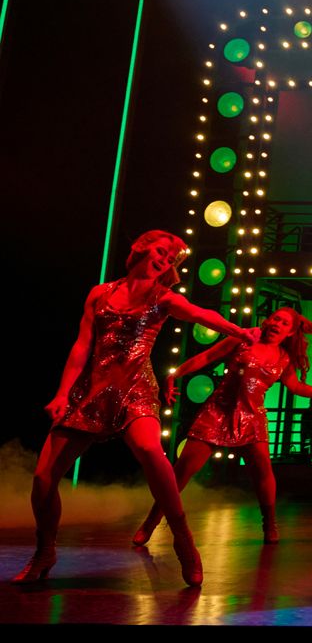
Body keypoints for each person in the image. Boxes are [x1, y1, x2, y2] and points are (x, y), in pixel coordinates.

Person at [16, 231, 258, 586]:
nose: (164, 260)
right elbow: (82, 346)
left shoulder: (163, 297)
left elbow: (199, 314)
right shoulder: (100, 293)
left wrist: (237, 330)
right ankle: (44, 551)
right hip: (92, 389)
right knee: (42, 478)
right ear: (140, 248)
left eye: (171, 259)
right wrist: (62, 393)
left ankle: (183, 539)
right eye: (161, 252)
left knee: (148, 448)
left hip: (135, 388)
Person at [131, 307, 312, 545]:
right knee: (182, 471)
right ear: (268, 321)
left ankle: (269, 525)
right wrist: (176, 374)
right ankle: (150, 523)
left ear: (290, 333)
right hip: (217, 412)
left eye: (284, 323)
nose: (277, 324)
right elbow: (206, 357)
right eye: (276, 318)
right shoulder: (243, 339)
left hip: (252, 418)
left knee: (263, 472)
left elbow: (295, 386)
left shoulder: (283, 358)